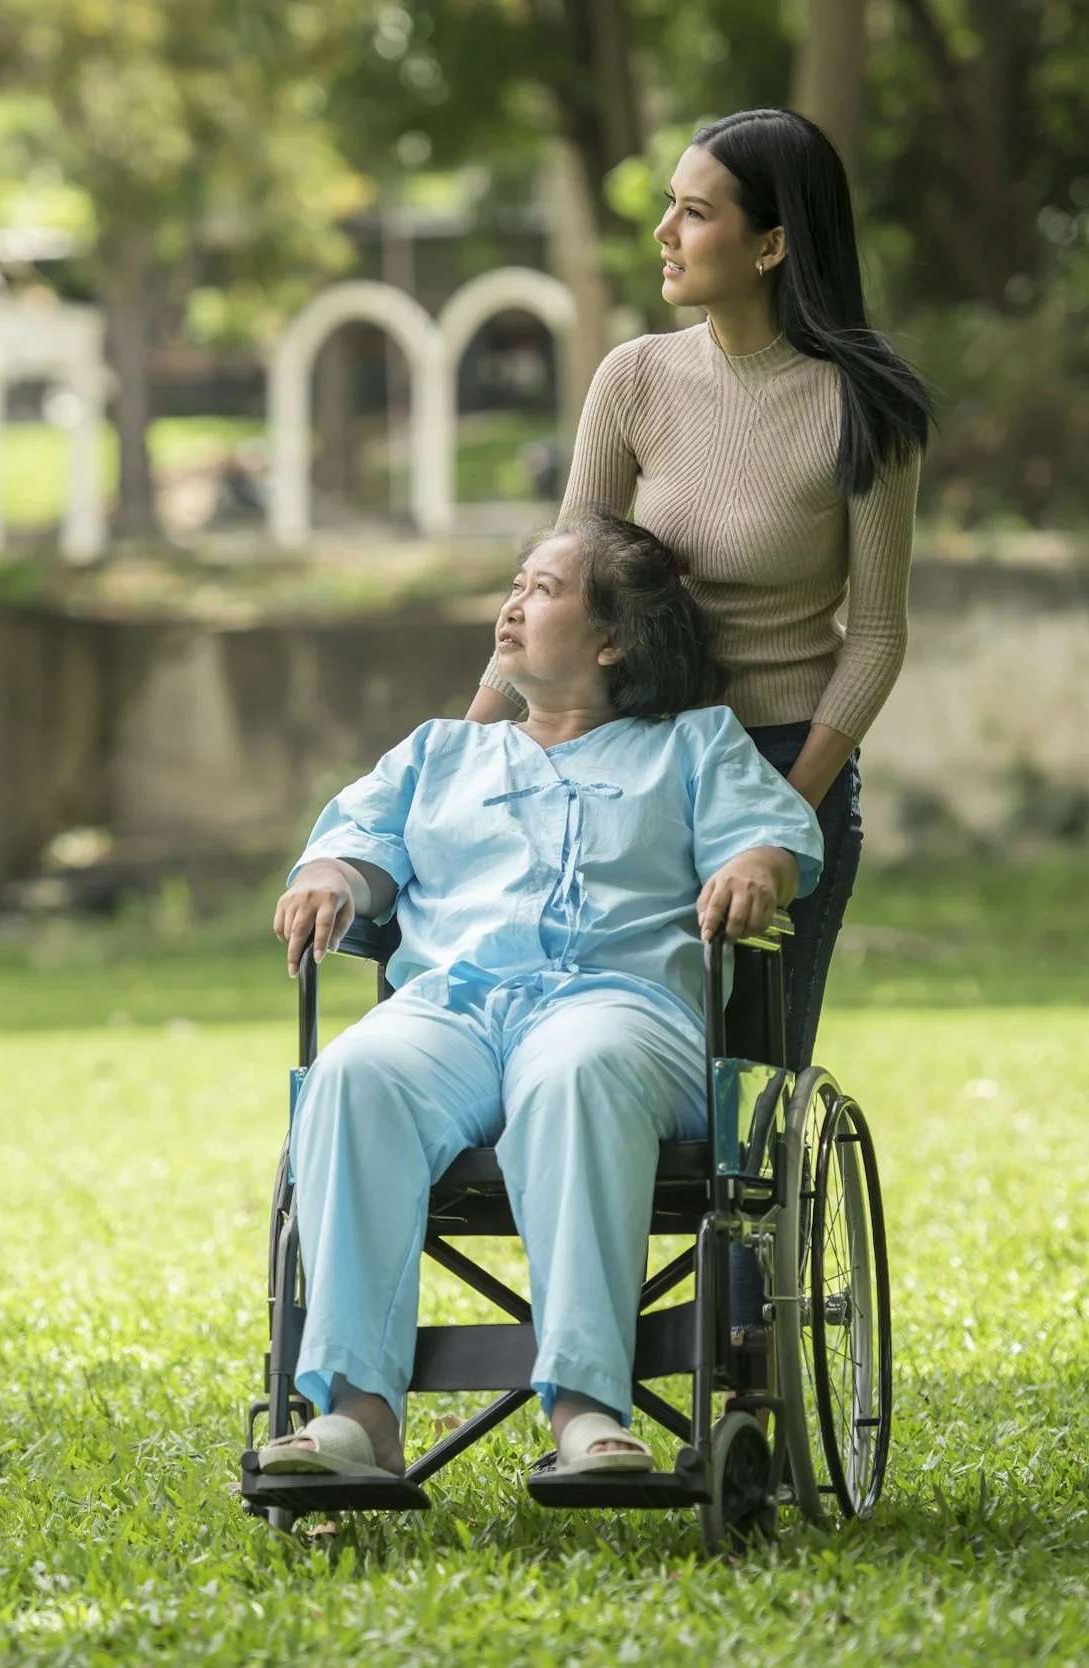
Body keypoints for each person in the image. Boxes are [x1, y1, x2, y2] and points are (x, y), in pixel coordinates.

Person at [258, 512, 825, 1481]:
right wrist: (331, 880)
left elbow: (767, 837)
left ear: (611, 640)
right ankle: (355, 1415)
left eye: (543, 589)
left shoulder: (691, 746)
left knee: (576, 1073)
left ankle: (586, 1410)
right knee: (353, 1074)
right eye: (514, 584)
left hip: (620, 1011)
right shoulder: (441, 753)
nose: (511, 604)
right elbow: (356, 845)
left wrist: (755, 871)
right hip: (452, 1009)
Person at [466, 108, 933, 1075]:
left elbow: (878, 635)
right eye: (668, 208)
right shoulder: (636, 377)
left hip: (777, 758)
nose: (664, 233)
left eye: (693, 212)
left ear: (771, 245)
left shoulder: (865, 407)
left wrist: (781, 817)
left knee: (742, 1091)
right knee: (594, 1052)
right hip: (629, 764)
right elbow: (559, 585)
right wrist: (474, 746)